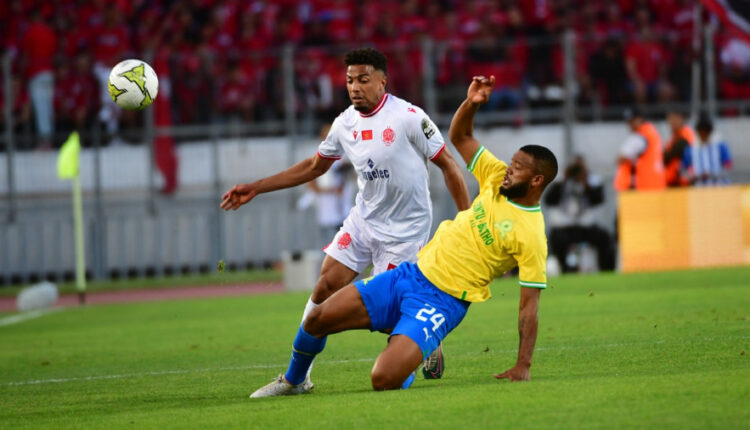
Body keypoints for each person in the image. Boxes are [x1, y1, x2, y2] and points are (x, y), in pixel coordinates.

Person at [248, 75, 558, 397]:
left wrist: (523, 364)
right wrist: (471, 103)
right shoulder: (495, 177)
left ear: (536, 180)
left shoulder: (531, 234)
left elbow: (529, 306)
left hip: (442, 302)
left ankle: (415, 349)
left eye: (518, 167)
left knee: (383, 379)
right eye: (511, 162)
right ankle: (294, 381)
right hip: (410, 275)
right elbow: (461, 136)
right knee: (316, 318)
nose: (508, 169)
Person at [221, 48, 471, 391]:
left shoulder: (409, 118)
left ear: (382, 82)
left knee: (390, 317)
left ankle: (423, 342)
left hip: (404, 234)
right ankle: (297, 379)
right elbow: (314, 167)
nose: (355, 87)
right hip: (363, 222)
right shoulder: (344, 123)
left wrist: (467, 221)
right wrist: (257, 187)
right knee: (324, 288)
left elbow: (450, 167)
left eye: (363, 79)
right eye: (350, 80)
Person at [545, 156, 615, 273]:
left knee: (604, 238)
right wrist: (564, 180)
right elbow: (549, 200)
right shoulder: (560, 183)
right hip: (564, 228)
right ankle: (564, 269)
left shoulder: (591, 181)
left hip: (585, 227)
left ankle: (605, 270)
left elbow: (598, 200)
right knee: (554, 239)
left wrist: (585, 183)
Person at [614, 107, 666, 191]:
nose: (630, 125)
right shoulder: (652, 133)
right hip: (657, 183)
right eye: (628, 122)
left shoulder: (640, 136)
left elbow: (620, 158)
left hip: (644, 186)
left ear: (640, 119)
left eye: (632, 121)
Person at [683, 115, 733, 186]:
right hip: (699, 188)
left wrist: (713, 174)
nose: (703, 135)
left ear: (710, 132)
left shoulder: (720, 145)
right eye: (701, 132)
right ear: (698, 132)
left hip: (719, 186)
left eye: (706, 132)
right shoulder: (691, 148)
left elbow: (728, 166)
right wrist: (692, 174)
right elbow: (684, 169)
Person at [663, 109, 695, 187]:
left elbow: (679, 150)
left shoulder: (687, 133)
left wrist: (668, 153)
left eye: (675, 118)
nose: (672, 122)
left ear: (682, 119)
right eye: (670, 119)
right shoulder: (673, 138)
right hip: (671, 180)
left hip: (683, 181)